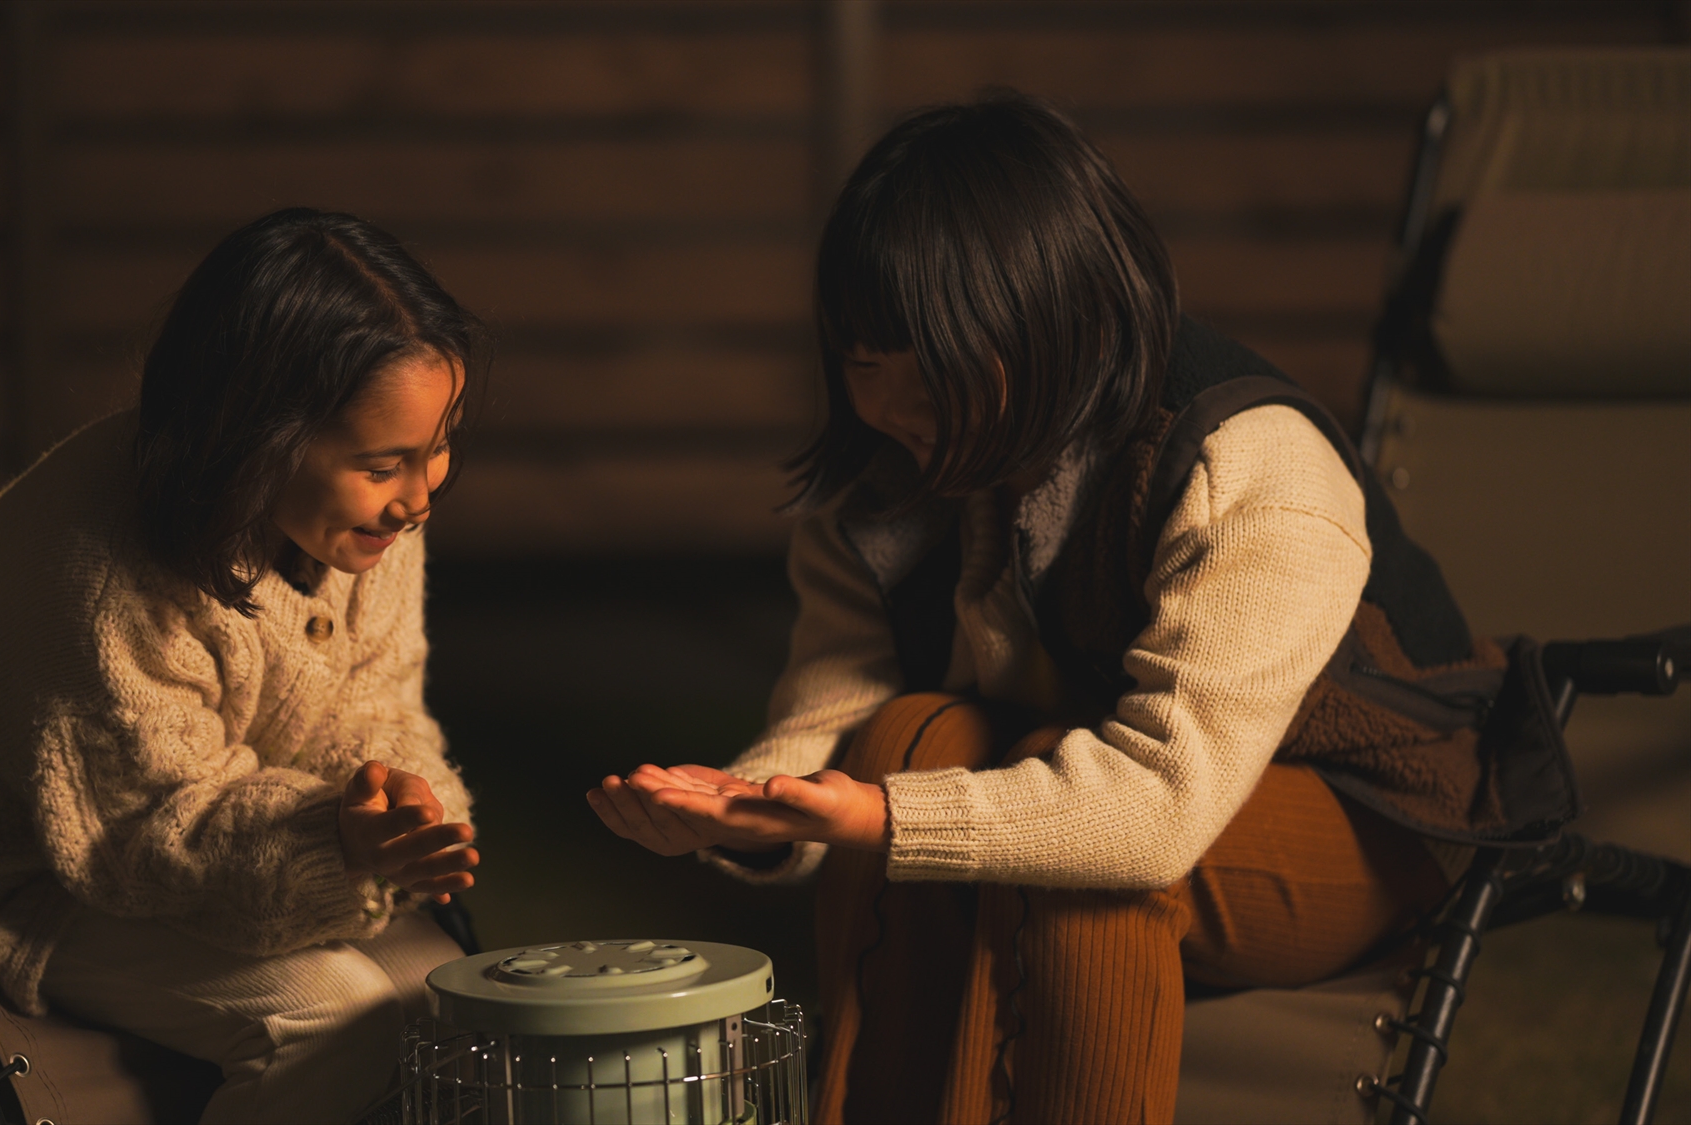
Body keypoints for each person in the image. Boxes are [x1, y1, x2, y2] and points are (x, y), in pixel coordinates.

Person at [589, 92, 1551, 1124]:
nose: (896, 410)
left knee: (1078, 863)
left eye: (942, 372)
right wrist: (738, 812)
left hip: (1364, 809)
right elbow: (838, 695)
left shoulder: (1246, 465)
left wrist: (881, 815)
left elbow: (1152, 809)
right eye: (866, 366)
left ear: (1051, 328)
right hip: (1083, 753)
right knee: (906, 732)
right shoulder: (885, 482)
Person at [0, 208, 481, 1122]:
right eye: (387, 463)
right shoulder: (102, 572)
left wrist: (402, 801)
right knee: (337, 1015)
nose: (420, 497)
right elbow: (138, 831)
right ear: (256, 434)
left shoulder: (364, 526)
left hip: (215, 833)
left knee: (451, 1000)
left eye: (439, 449)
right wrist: (331, 843)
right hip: (11, 853)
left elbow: (375, 706)